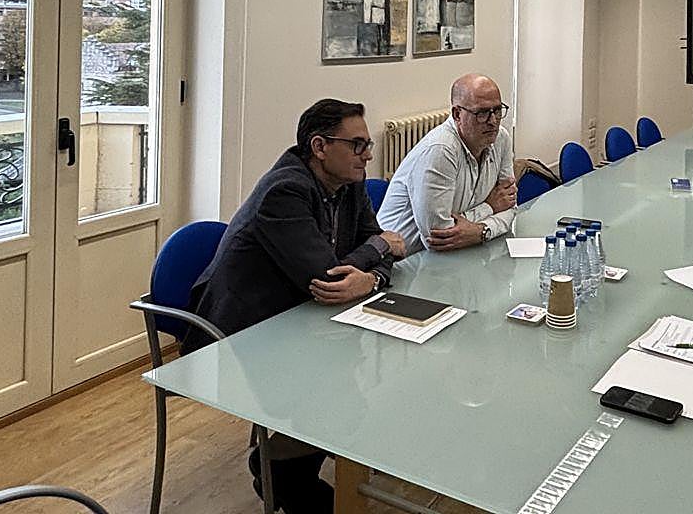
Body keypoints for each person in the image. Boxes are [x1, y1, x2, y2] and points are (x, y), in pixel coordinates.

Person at [182, 98, 406, 513]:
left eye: (368, 143)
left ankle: (319, 451)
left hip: (303, 312)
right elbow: (333, 275)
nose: (368, 155)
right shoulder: (285, 190)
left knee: (355, 373)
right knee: (340, 376)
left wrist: (372, 273)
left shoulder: (349, 183)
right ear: (319, 146)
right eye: (357, 144)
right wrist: (375, 252)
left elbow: (382, 252)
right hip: (242, 331)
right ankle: (281, 471)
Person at [377, 73, 516, 254]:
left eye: (497, 111)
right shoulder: (440, 150)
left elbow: (510, 205)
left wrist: (481, 231)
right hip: (402, 262)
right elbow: (437, 238)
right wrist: (490, 208)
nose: (493, 121)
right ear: (457, 114)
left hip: (459, 253)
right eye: (482, 113)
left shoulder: (500, 138)